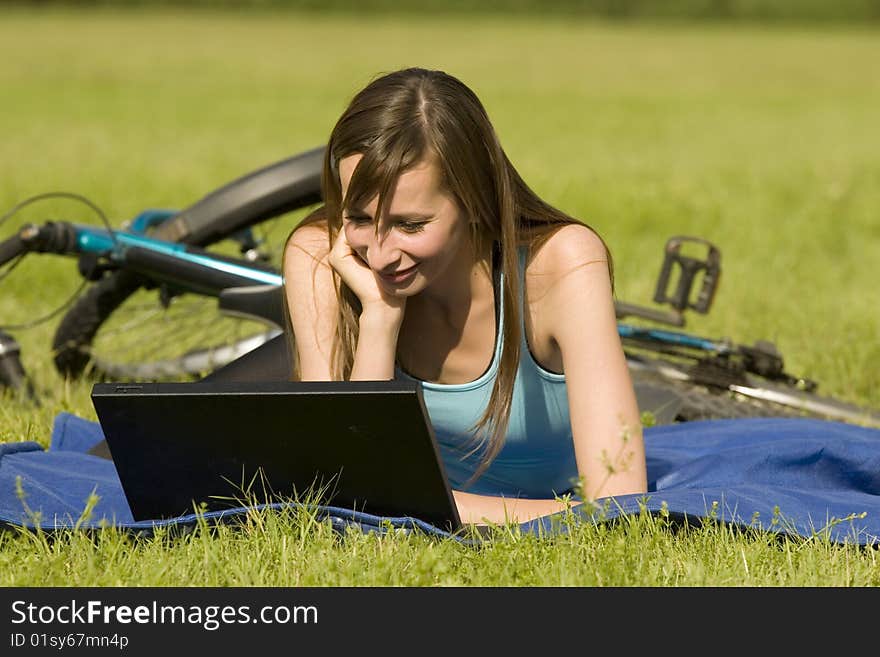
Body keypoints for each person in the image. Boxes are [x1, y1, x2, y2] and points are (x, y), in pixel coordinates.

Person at [282, 67, 647, 526]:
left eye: (410, 225)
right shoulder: (321, 253)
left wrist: (426, 509)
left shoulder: (561, 264)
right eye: (358, 218)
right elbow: (343, 484)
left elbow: (622, 506)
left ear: (475, 200)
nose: (378, 256)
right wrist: (378, 319)